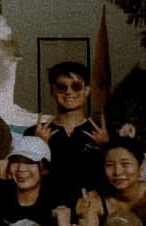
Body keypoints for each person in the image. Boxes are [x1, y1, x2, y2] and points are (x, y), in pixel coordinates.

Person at [31, 61, 105, 202]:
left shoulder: (101, 132)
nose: (69, 92)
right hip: (47, 209)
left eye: (76, 86)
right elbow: (25, 177)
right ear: (52, 91)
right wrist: (38, 146)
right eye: (61, 87)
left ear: (87, 90)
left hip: (91, 210)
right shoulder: (36, 133)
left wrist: (106, 148)